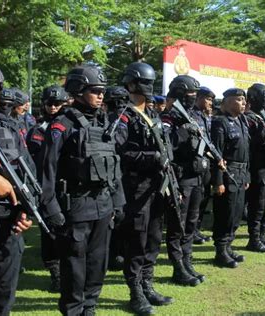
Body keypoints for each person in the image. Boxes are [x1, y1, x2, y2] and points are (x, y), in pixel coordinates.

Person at [39, 65, 126, 315]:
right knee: (75, 270)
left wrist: (118, 202)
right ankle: (74, 310)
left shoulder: (103, 123)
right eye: (95, 91)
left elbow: (114, 165)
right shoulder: (62, 125)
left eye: (102, 91)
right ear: (78, 91)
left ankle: (90, 308)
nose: (101, 95)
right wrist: (52, 209)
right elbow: (47, 171)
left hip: (103, 205)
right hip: (75, 209)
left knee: (98, 265)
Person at [115, 62, 174, 315]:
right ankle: (135, 291)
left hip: (157, 186)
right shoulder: (122, 116)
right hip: (135, 187)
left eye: (151, 83)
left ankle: (148, 284)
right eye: (143, 83)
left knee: (153, 236)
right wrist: (151, 158)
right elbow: (120, 152)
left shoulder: (154, 114)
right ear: (130, 85)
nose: (148, 88)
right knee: (136, 240)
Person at [0, 61, 33, 316]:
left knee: (2, 300)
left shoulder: (8, 127)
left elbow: (29, 173)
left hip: (7, 227)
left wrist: (26, 212)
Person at [161, 74, 207, 286]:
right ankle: (178, 267)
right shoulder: (169, 117)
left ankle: (187, 261)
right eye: (190, 94)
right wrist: (181, 131)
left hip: (196, 176)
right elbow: (166, 146)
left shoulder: (194, 115)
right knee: (177, 225)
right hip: (180, 178)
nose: (193, 97)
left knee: (191, 223)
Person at [25, 85, 69, 292]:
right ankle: (56, 274)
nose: (53, 107)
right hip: (44, 186)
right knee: (49, 233)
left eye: (57, 104)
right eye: (49, 103)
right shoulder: (37, 130)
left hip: (67, 187)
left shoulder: (70, 126)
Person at [211, 88, 250, 268]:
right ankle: (220, 251)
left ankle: (228, 246)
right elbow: (216, 154)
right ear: (227, 102)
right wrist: (218, 181)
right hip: (228, 173)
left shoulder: (241, 121)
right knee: (225, 213)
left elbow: (246, 152)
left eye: (244, 100)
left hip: (241, 173)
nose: (243, 103)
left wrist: (247, 175)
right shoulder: (220, 122)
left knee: (236, 213)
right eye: (239, 100)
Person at [244, 83, 265, 252]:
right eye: (263, 98)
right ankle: (254, 238)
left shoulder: (264, 116)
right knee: (257, 204)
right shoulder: (249, 118)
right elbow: (250, 143)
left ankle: (262, 234)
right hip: (257, 166)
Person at [193, 87, 215, 245]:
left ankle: (196, 229)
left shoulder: (203, 117)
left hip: (206, 163)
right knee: (196, 199)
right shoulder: (192, 115)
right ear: (198, 98)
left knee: (204, 197)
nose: (210, 102)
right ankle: (191, 230)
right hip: (195, 164)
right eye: (207, 99)